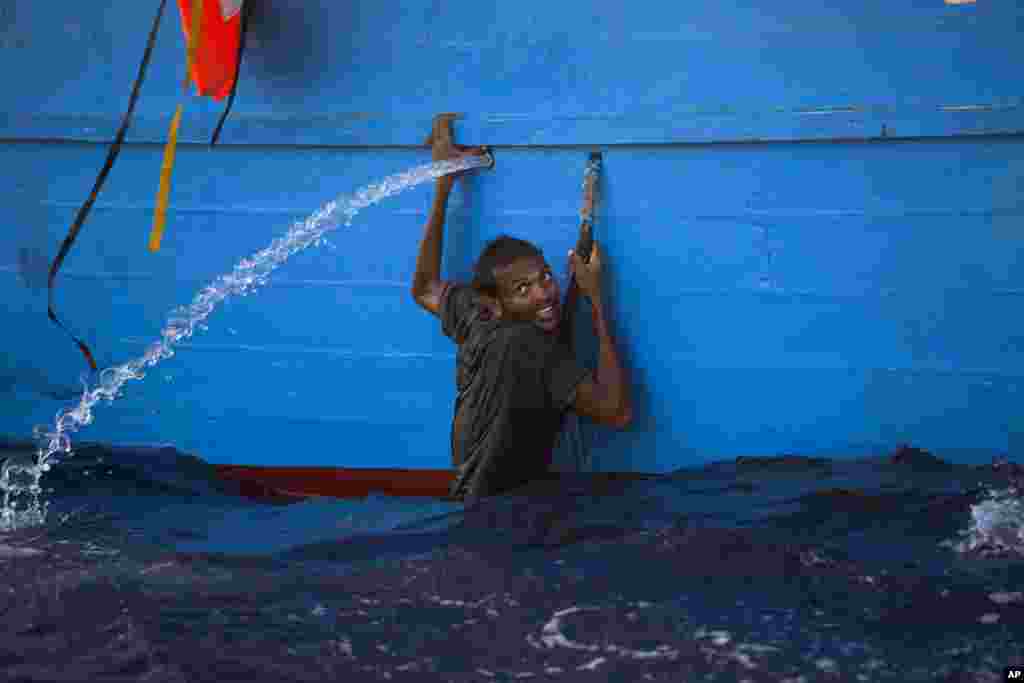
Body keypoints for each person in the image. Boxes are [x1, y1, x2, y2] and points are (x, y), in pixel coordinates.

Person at [411, 118, 633, 503]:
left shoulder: (476, 318)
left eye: (545, 277)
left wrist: (443, 185)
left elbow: (423, 288)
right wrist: (597, 299)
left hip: (464, 503)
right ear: (497, 305)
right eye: (522, 290)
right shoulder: (536, 351)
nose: (544, 294)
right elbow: (617, 413)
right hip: (508, 521)